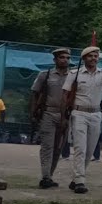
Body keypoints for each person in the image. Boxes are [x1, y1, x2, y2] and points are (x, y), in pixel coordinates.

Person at [62, 46, 102, 194]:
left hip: (96, 114)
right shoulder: (74, 74)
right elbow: (65, 94)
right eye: (90, 56)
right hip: (79, 113)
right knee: (80, 149)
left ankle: (76, 178)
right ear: (84, 58)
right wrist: (65, 114)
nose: (93, 59)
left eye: (96, 56)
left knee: (90, 150)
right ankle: (80, 180)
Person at [30, 48, 72, 187]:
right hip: (48, 113)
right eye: (62, 57)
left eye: (67, 57)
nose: (65, 60)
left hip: (65, 116)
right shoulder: (45, 75)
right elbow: (35, 94)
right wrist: (33, 113)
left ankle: (50, 176)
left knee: (58, 148)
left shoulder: (73, 76)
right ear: (55, 60)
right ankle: (45, 176)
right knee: (47, 146)